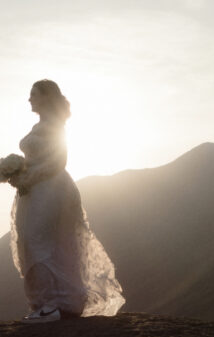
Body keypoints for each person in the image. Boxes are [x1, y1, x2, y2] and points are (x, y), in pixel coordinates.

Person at [7, 79, 125, 322]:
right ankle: (45, 302)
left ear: (46, 97)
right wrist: (18, 171)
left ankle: (56, 303)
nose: (29, 98)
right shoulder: (39, 124)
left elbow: (58, 161)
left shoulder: (56, 125)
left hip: (51, 189)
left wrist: (29, 177)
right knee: (31, 242)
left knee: (44, 242)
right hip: (34, 190)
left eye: (34, 94)